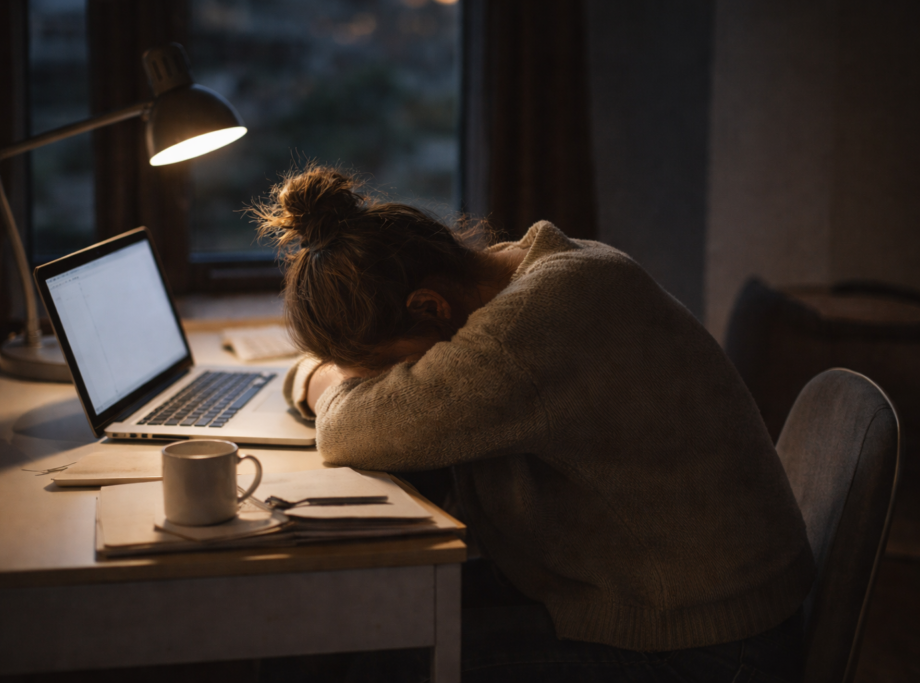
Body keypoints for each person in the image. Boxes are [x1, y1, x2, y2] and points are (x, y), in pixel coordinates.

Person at [252, 165, 815, 683]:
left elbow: (351, 429)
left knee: (385, 655)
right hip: (632, 595)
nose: (389, 384)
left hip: (709, 645)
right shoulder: (530, 276)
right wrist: (333, 375)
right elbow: (343, 393)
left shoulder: (533, 322)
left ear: (430, 307)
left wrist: (325, 381)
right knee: (347, 617)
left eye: (390, 372)